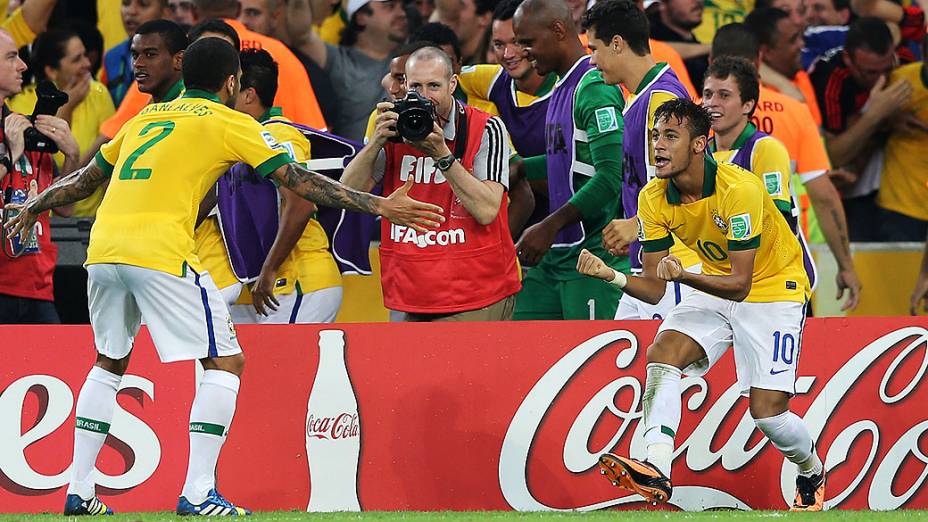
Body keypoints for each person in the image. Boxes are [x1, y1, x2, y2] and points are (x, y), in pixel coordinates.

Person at [4, 37, 441, 515]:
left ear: (186, 76)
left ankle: (80, 491)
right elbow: (299, 183)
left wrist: (34, 203)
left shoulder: (143, 118)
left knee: (109, 363)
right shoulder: (231, 122)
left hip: (103, 249)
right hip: (160, 252)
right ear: (232, 82)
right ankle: (197, 493)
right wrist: (380, 204)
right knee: (226, 363)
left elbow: (87, 177)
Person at [578, 99, 826, 512]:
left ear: (699, 144)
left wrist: (686, 276)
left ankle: (811, 470)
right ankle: (655, 464)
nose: (658, 145)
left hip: (772, 290)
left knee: (768, 415)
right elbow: (658, 289)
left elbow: (741, 284)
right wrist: (612, 276)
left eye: (670, 136)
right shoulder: (652, 198)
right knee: (663, 353)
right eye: (655, 135)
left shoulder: (739, 190)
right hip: (712, 282)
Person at [341, 46, 521, 321]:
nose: (424, 96)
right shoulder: (392, 129)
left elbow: (486, 210)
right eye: (416, 86)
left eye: (434, 86)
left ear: (452, 85)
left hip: (477, 292)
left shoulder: (485, 128)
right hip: (409, 290)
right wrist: (376, 142)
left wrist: (442, 154)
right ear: (404, 85)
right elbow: (348, 195)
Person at [711, 22, 861, 311]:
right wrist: (846, 266)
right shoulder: (794, 111)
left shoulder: (693, 119)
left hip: (719, 267)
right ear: (759, 62)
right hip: (782, 269)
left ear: (710, 63)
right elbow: (823, 194)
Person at [511, 0, 627, 320]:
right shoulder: (561, 84)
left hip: (594, 258)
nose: (522, 52)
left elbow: (609, 176)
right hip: (557, 256)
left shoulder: (595, 87)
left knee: (594, 368)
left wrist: (549, 224)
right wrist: (522, 166)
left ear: (559, 30)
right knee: (519, 348)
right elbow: (568, 161)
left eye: (527, 42)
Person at [583, 0, 696, 322]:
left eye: (595, 49)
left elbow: (691, 187)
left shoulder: (662, 99)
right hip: (650, 265)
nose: (592, 60)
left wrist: (637, 225)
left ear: (617, 43)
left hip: (676, 267)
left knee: (668, 369)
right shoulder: (641, 98)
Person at [228, 48, 344, 323]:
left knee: (280, 367)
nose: (222, 97)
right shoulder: (241, 138)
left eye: (229, 87)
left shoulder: (278, 133)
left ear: (248, 95)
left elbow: (300, 202)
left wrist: (269, 269)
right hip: (267, 284)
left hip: (299, 280)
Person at [0, 29, 78, 324]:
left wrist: (71, 156)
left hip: (38, 288)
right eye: (11, 57)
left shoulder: (25, 129)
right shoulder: (18, 138)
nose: (22, 66)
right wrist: (11, 156)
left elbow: (65, 208)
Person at [810, 17, 908, 241]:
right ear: (848, 59)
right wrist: (875, 114)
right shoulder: (830, 78)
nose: (881, 80)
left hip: (897, 182)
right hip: (852, 193)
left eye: (887, 69)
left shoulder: (902, 60)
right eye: (871, 73)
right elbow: (834, 155)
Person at [9, 29, 115, 217]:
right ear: (51, 71)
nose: (87, 64)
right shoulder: (24, 100)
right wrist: (69, 104)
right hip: (45, 219)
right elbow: (49, 161)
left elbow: (109, 161)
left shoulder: (99, 93)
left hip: (90, 218)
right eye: (76, 59)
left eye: (85, 55)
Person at [191, 0, 327, 130]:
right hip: (277, 148)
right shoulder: (281, 53)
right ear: (238, 9)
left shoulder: (187, 53)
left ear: (194, 11)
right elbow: (316, 134)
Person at [286, 0, 408, 141]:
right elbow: (301, 35)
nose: (402, 13)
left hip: (404, 160)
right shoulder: (338, 59)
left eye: (402, 7)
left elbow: (440, 16)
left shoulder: (412, 59)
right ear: (361, 16)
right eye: (390, 6)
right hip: (351, 159)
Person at [876, 37, 928, 242]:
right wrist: (888, 121)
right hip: (902, 207)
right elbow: (869, 124)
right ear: (924, 53)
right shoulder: (899, 81)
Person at [745, 7, 823, 126]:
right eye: (792, 40)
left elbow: (818, 134)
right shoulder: (751, 93)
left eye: (799, 36)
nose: (801, 44)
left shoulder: (801, 77)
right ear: (766, 52)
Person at [101, 0, 170, 106]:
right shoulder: (111, 57)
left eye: (143, 4)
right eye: (126, 3)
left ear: (166, 13)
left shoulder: (179, 55)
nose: (131, 11)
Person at [647, 0, 708, 91]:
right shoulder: (645, 34)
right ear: (663, 4)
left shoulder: (698, 47)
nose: (697, 1)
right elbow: (652, 50)